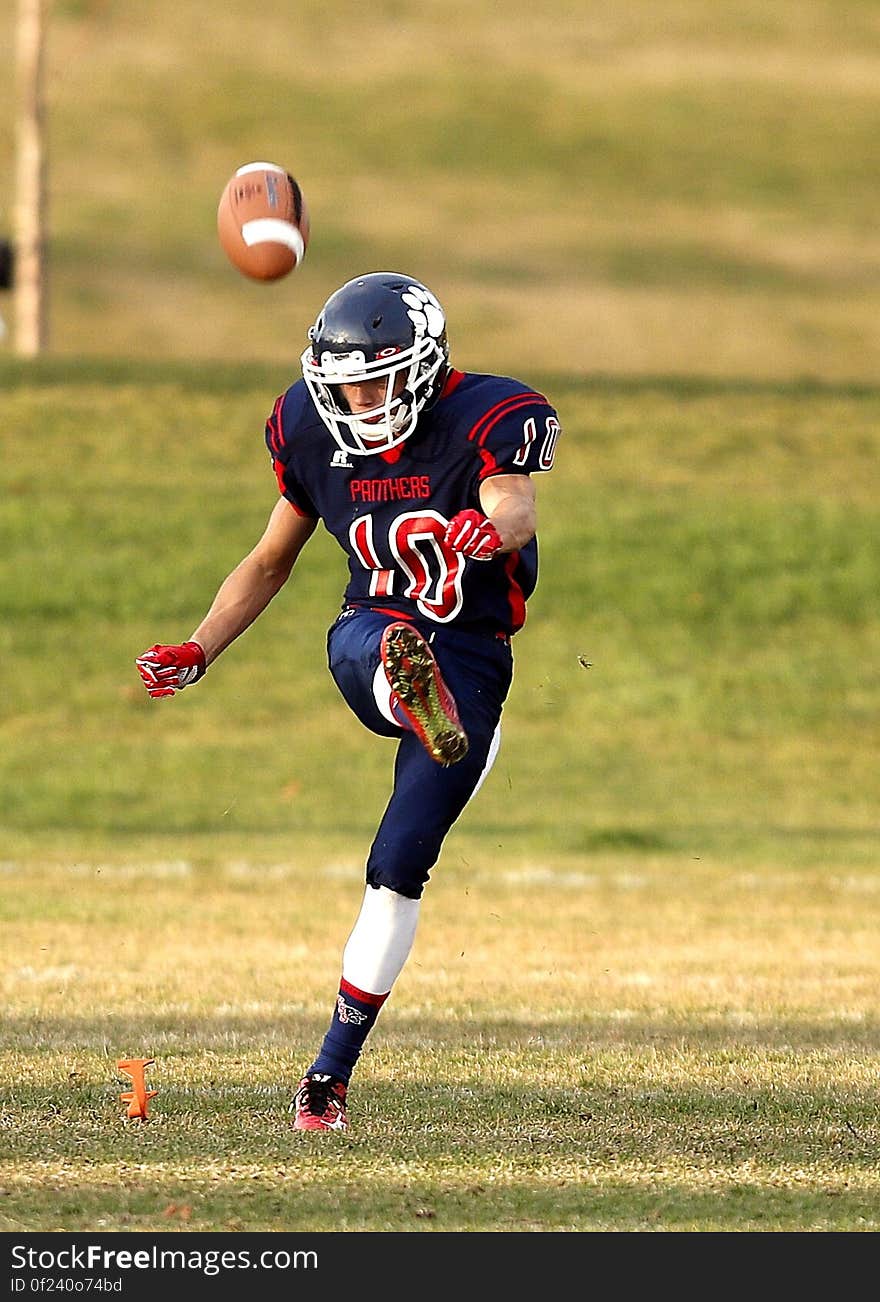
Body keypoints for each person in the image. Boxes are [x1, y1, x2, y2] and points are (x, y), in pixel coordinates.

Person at [135, 271, 561, 1131]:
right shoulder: (308, 430)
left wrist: (487, 528)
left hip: (473, 656)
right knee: (372, 643)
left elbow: (513, 505)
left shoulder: (487, 416)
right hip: (372, 630)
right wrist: (200, 646)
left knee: (398, 865)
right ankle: (409, 693)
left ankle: (328, 1079)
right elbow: (268, 560)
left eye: (374, 379)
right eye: (343, 385)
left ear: (424, 368)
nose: (358, 401)